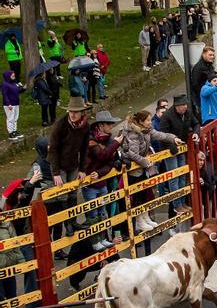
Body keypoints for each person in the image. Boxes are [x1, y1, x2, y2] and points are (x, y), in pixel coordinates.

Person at [120, 111, 183, 233]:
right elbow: (132, 153)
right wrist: (145, 162)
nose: (150, 122)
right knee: (136, 196)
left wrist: (173, 138)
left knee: (144, 194)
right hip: (134, 170)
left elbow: (159, 135)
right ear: (141, 122)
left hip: (141, 168)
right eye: (148, 120)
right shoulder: (133, 133)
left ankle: (145, 217)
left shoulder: (146, 129)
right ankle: (139, 221)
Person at [49, 96, 92, 235]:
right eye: (71, 111)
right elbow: (53, 149)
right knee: (62, 194)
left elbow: (85, 148)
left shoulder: (85, 125)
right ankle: (67, 225)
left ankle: (73, 222)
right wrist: (56, 172)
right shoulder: (60, 124)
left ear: (82, 113)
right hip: (59, 163)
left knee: (73, 192)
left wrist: (82, 169)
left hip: (73, 163)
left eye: (76, 112)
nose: (73, 114)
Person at [83, 110, 124, 251]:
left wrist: (99, 173)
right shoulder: (90, 140)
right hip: (89, 183)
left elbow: (110, 162)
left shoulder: (108, 140)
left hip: (101, 181)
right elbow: (102, 155)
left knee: (102, 212)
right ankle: (95, 241)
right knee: (93, 214)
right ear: (100, 125)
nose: (111, 127)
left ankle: (104, 238)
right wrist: (116, 144)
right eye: (108, 124)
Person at [159, 95, 200, 215]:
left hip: (181, 147)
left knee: (182, 175)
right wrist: (172, 146)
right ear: (177, 106)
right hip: (170, 149)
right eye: (183, 105)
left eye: (186, 105)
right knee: (174, 177)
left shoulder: (187, 113)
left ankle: (182, 202)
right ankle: (177, 205)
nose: (185, 107)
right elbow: (162, 135)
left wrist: (196, 133)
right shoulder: (167, 116)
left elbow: (196, 123)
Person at [1, 70, 25, 140]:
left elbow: (18, 91)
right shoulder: (5, 84)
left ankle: (15, 131)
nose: (14, 75)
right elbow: (4, 95)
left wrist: (24, 88)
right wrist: (8, 104)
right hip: (9, 105)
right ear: (8, 76)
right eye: (12, 75)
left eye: (14, 74)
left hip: (16, 103)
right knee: (10, 119)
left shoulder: (14, 83)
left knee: (15, 118)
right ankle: (11, 133)